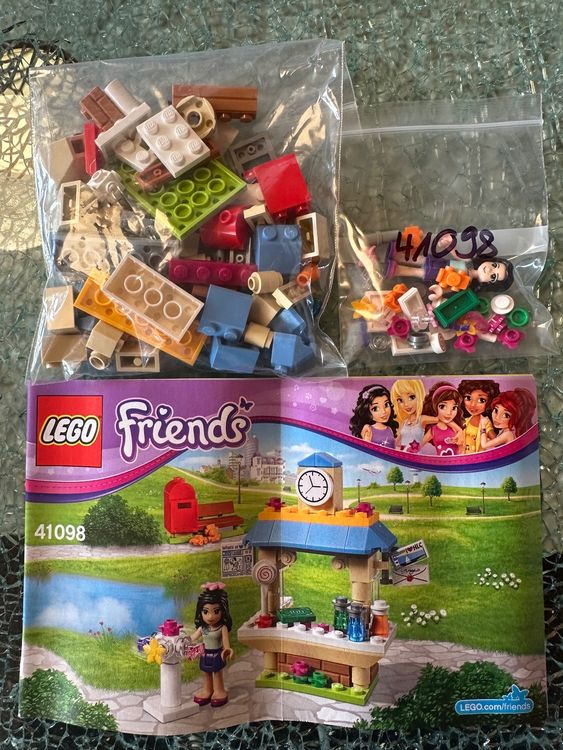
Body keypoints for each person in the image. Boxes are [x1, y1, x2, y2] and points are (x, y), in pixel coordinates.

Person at [190, 582, 233, 708]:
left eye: (216, 611)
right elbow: (193, 637)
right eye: (206, 611)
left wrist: (227, 650)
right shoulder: (203, 628)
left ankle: (219, 691)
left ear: (223, 611)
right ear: (200, 612)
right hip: (205, 654)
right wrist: (184, 641)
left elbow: (225, 641)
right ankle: (207, 690)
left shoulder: (222, 627)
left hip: (217, 654)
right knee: (206, 673)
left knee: (217, 673)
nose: (210, 616)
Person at [420, 382, 465, 456]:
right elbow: (419, 445)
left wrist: (460, 443)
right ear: (435, 407)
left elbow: (463, 450)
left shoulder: (456, 429)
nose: (448, 413)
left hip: (456, 460)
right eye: (442, 406)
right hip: (440, 461)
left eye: (454, 408)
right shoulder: (433, 430)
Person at [457, 379, 500, 453]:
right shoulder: (465, 421)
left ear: (490, 402)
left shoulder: (485, 422)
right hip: (463, 457)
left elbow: (496, 442)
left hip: (478, 458)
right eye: (468, 398)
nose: (473, 405)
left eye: (481, 400)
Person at [390, 379, 426, 452]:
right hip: (403, 454)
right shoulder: (404, 422)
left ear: (420, 395)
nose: (406, 404)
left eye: (411, 397)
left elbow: (439, 420)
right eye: (400, 400)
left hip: (417, 455)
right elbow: (396, 442)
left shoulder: (423, 419)